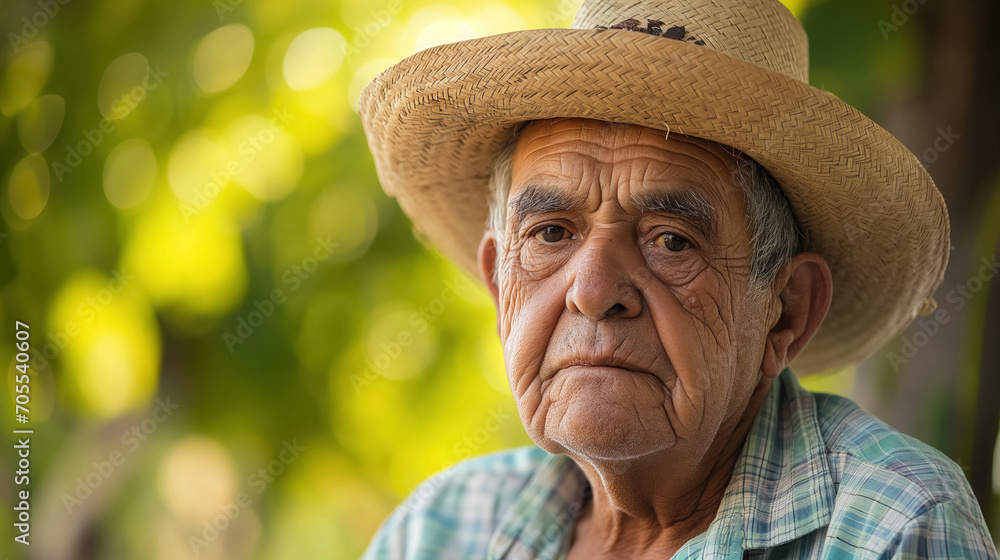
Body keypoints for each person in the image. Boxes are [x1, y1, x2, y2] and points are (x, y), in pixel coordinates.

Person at [357, 0, 999, 557]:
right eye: (551, 232)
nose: (593, 290)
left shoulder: (893, 526)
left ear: (786, 312)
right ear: (500, 285)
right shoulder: (439, 530)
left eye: (671, 241)